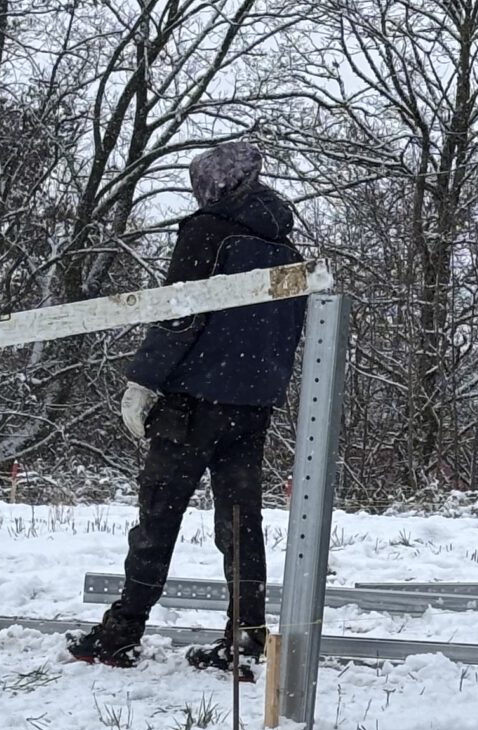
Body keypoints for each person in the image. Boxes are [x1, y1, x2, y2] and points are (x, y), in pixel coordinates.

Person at [70, 141, 305, 673]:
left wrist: (144, 380)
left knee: (158, 516)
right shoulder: (286, 252)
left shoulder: (208, 234)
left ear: (214, 186)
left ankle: (122, 630)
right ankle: (245, 636)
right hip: (252, 405)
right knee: (241, 522)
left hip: (192, 402)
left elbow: (180, 312)